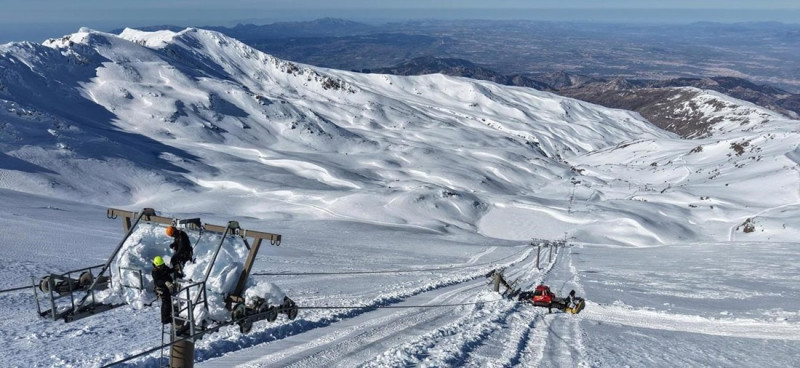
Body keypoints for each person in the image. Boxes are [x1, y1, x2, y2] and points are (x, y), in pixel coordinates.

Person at [151, 256, 176, 324]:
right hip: (161, 288)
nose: (161, 267)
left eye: (162, 265)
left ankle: (169, 314)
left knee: (169, 302)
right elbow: (158, 281)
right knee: (166, 303)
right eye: (159, 266)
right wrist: (165, 282)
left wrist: (174, 269)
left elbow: (168, 270)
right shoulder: (155, 272)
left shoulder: (163, 267)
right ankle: (165, 319)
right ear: (156, 265)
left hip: (167, 287)